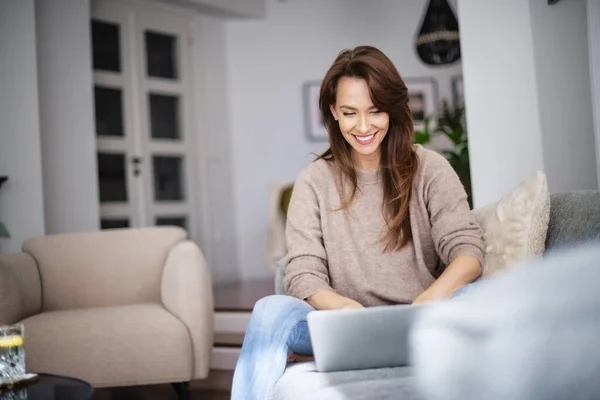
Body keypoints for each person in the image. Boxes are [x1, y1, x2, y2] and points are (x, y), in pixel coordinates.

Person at [231, 45, 485, 400]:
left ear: (393, 110)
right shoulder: (314, 180)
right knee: (270, 310)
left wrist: (431, 298)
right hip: (341, 322)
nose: (363, 127)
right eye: (350, 113)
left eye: (375, 111)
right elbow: (303, 273)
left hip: (422, 316)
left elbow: (468, 250)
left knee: (484, 293)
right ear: (334, 111)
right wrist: (350, 311)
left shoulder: (430, 169)